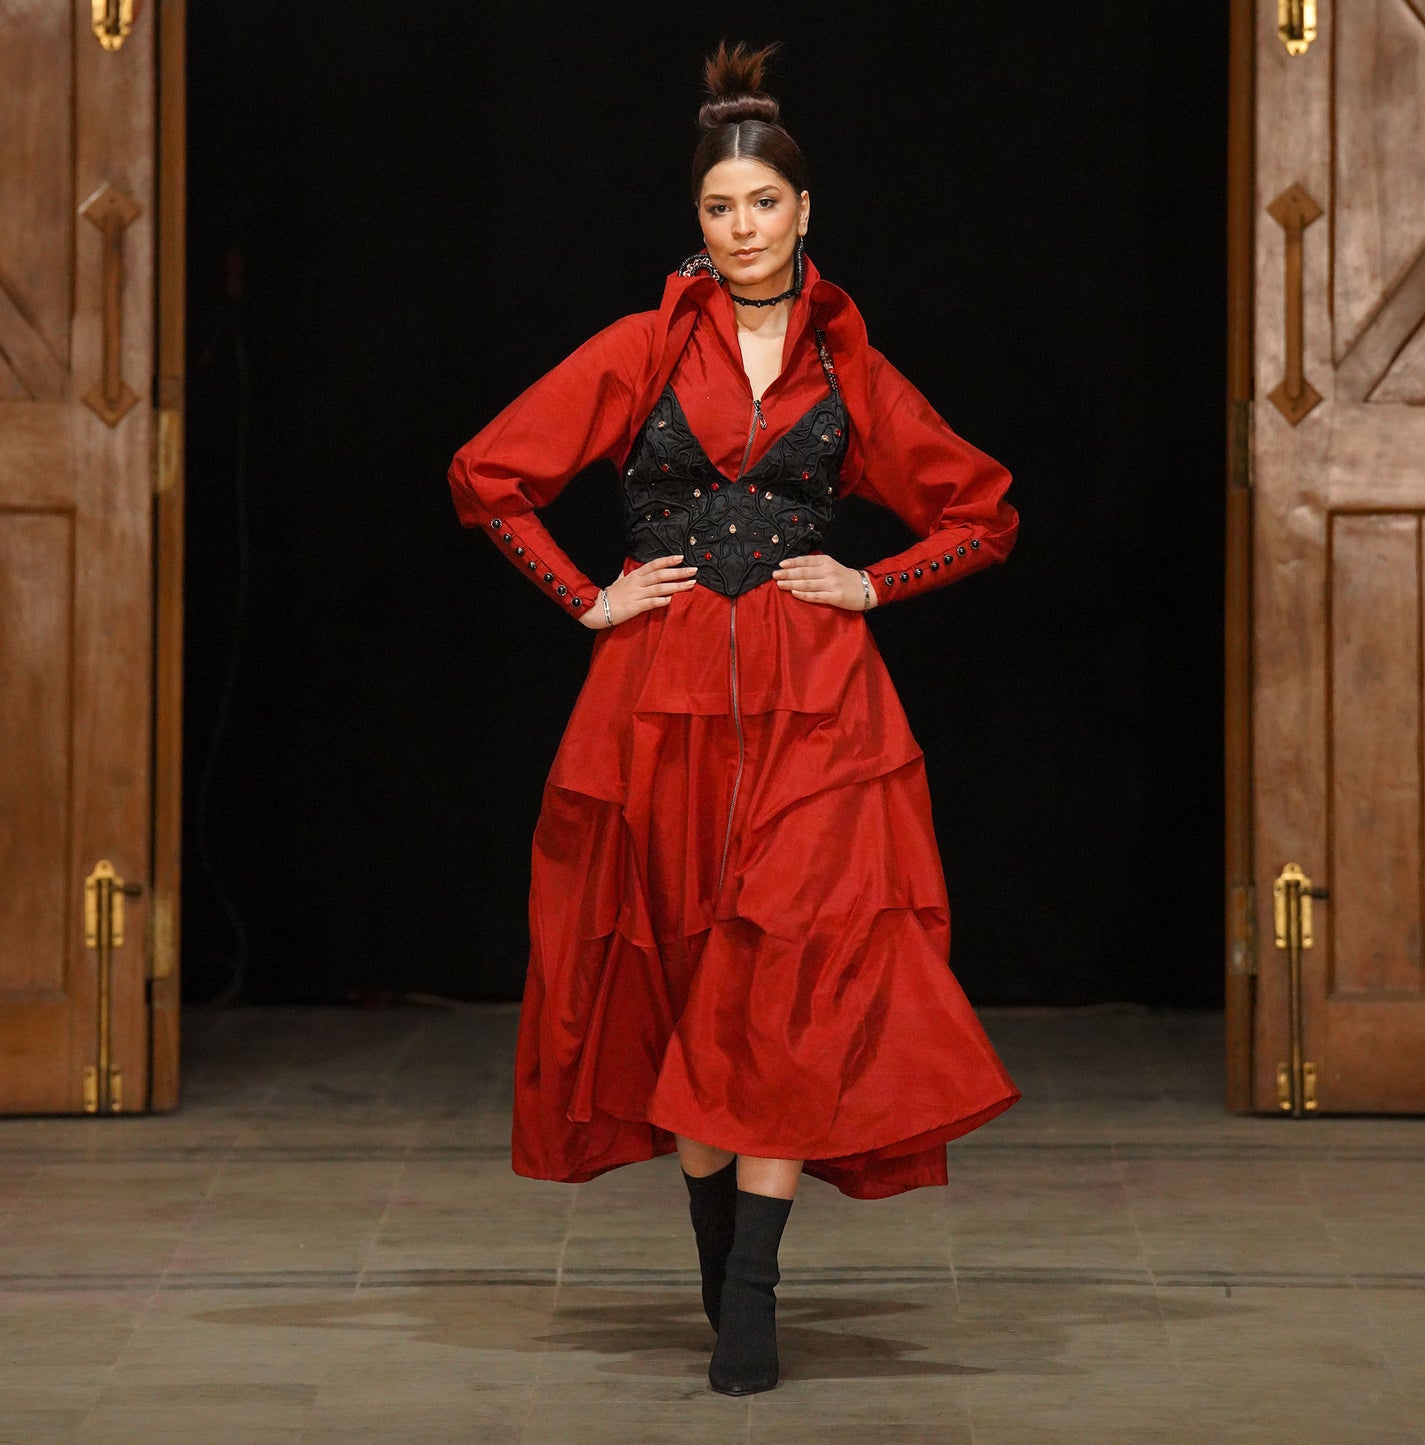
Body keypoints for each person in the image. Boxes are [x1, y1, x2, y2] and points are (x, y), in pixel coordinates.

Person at [448, 40, 1021, 1397]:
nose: (741, 228)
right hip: (660, 699)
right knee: (684, 969)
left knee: (790, 975)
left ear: (803, 212)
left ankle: (754, 1284)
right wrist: (587, 598)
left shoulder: (848, 370)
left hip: (820, 705)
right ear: (695, 219)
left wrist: (872, 579)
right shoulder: (644, 348)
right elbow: (488, 472)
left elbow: (981, 508)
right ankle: (719, 1261)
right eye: (718, 208)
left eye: (761, 206)